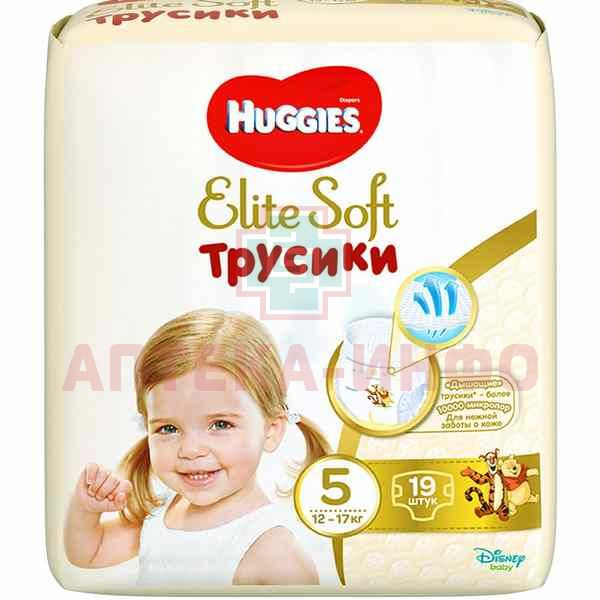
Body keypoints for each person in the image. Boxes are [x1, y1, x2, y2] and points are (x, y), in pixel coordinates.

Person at [64, 309, 331, 586]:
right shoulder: (164, 509)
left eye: (220, 424)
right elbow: (90, 553)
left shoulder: (274, 552)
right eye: (169, 428)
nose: (190, 450)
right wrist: (85, 509)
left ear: (271, 430)